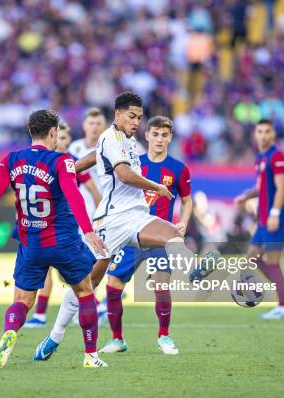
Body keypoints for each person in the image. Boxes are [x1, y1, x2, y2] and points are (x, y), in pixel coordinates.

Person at [34, 92, 196, 361]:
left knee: (171, 233)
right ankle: (55, 336)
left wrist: (66, 169)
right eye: (132, 117)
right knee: (87, 283)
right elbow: (123, 174)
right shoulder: (111, 138)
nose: (136, 122)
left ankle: (196, 268)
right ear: (118, 114)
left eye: (139, 118)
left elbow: (89, 160)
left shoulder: (128, 142)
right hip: (111, 221)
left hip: (137, 215)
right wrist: (156, 186)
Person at [0, 109, 109, 369]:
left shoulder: (11, 160)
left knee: (22, 301)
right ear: (53, 132)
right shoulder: (60, 161)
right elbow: (74, 196)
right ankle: (90, 356)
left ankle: (10, 333)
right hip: (64, 243)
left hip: (32, 244)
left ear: (31, 132)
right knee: (86, 293)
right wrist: (87, 230)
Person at [99, 116, 192, 355]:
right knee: (113, 284)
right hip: (131, 233)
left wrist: (183, 221)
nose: (159, 139)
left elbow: (187, 200)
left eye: (164, 135)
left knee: (161, 284)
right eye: (155, 134)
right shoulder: (133, 164)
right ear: (147, 136)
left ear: (170, 138)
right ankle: (117, 339)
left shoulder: (178, 169)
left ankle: (164, 336)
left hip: (158, 235)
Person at [24, 121, 102, 328]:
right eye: (60, 137)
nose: (61, 141)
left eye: (66, 138)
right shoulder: (42, 162)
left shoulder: (72, 162)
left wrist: (99, 217)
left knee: (65, 272)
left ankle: (94, 303)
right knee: (51, 269)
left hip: (67, 224)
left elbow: (92, 190)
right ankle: (42, 314)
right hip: (46, 223)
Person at [233, 119, 284, 319]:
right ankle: (282, 293)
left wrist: (275, 213)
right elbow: (261, 187)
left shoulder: (276, 156)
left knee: (272, 262)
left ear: (273, 134)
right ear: (255, 134)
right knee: (252, 257)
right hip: (263, 221)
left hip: (274, 218)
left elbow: (282, 187)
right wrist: (246, 196)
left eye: (267, 131)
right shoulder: (261, 157)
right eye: (260, 131)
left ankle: (283, 306)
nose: (264, 135)